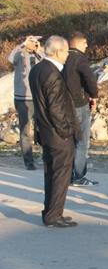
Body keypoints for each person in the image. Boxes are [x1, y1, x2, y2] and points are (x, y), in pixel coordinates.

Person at [29, 36, 80, 228]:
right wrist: (67, 131)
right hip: (57, 134)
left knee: (51, 173)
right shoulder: (52, 73)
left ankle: (50, 211)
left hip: (45, 131)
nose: (67, 56)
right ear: (58, 51)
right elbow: (56, 108)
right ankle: (54, 214)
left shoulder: (37, 69)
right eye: (66, 51)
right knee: (60, 174)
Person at [63, 32, 99, 187]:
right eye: (85, 43)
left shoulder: (61, 58)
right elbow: (90, 78)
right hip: (79, 104)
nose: (86, 46)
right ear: (78, 43)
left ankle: (67, 174)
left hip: (63, 105)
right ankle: (79, 175)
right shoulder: (79, 59)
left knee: (68, 141)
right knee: (82, 141)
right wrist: (94, 95)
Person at [8, 35, 43, 170]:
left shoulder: (40, 56)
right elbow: (11, 59)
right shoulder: (20, 55)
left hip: (38, 97)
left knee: (43, 128)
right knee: (25, 130)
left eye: (35, 42)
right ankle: (29, 162)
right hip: (22, 98)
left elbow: (50, 63)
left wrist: (39, 50)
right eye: (31, 42)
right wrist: (23, 44)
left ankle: (46, 156)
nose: (32, 45)